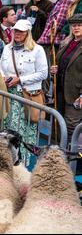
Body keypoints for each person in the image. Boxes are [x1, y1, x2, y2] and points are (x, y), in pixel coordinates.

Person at [0, 20, 48, 167]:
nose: (18, 34)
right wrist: (3, 77)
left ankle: (23, 164)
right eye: (15, 31)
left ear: (28, 33)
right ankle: (9, 160)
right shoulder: (7, 48)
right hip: (10, 94)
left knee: (27, 130)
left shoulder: (37, 50)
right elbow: (0, 67)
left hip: (28, 95)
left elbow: (43, 73)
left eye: (21, 31)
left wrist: (20, 80)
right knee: (10, 128)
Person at [51, 14, 82, 163]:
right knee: (59, 123)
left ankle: (72, 162)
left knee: (72, 128)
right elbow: (63, 63)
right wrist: (55, 70)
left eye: (79, 25)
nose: (76, 28)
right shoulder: (67, 43)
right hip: (61, 90)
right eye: (74, 25)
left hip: (76, 94)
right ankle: (60, 158)